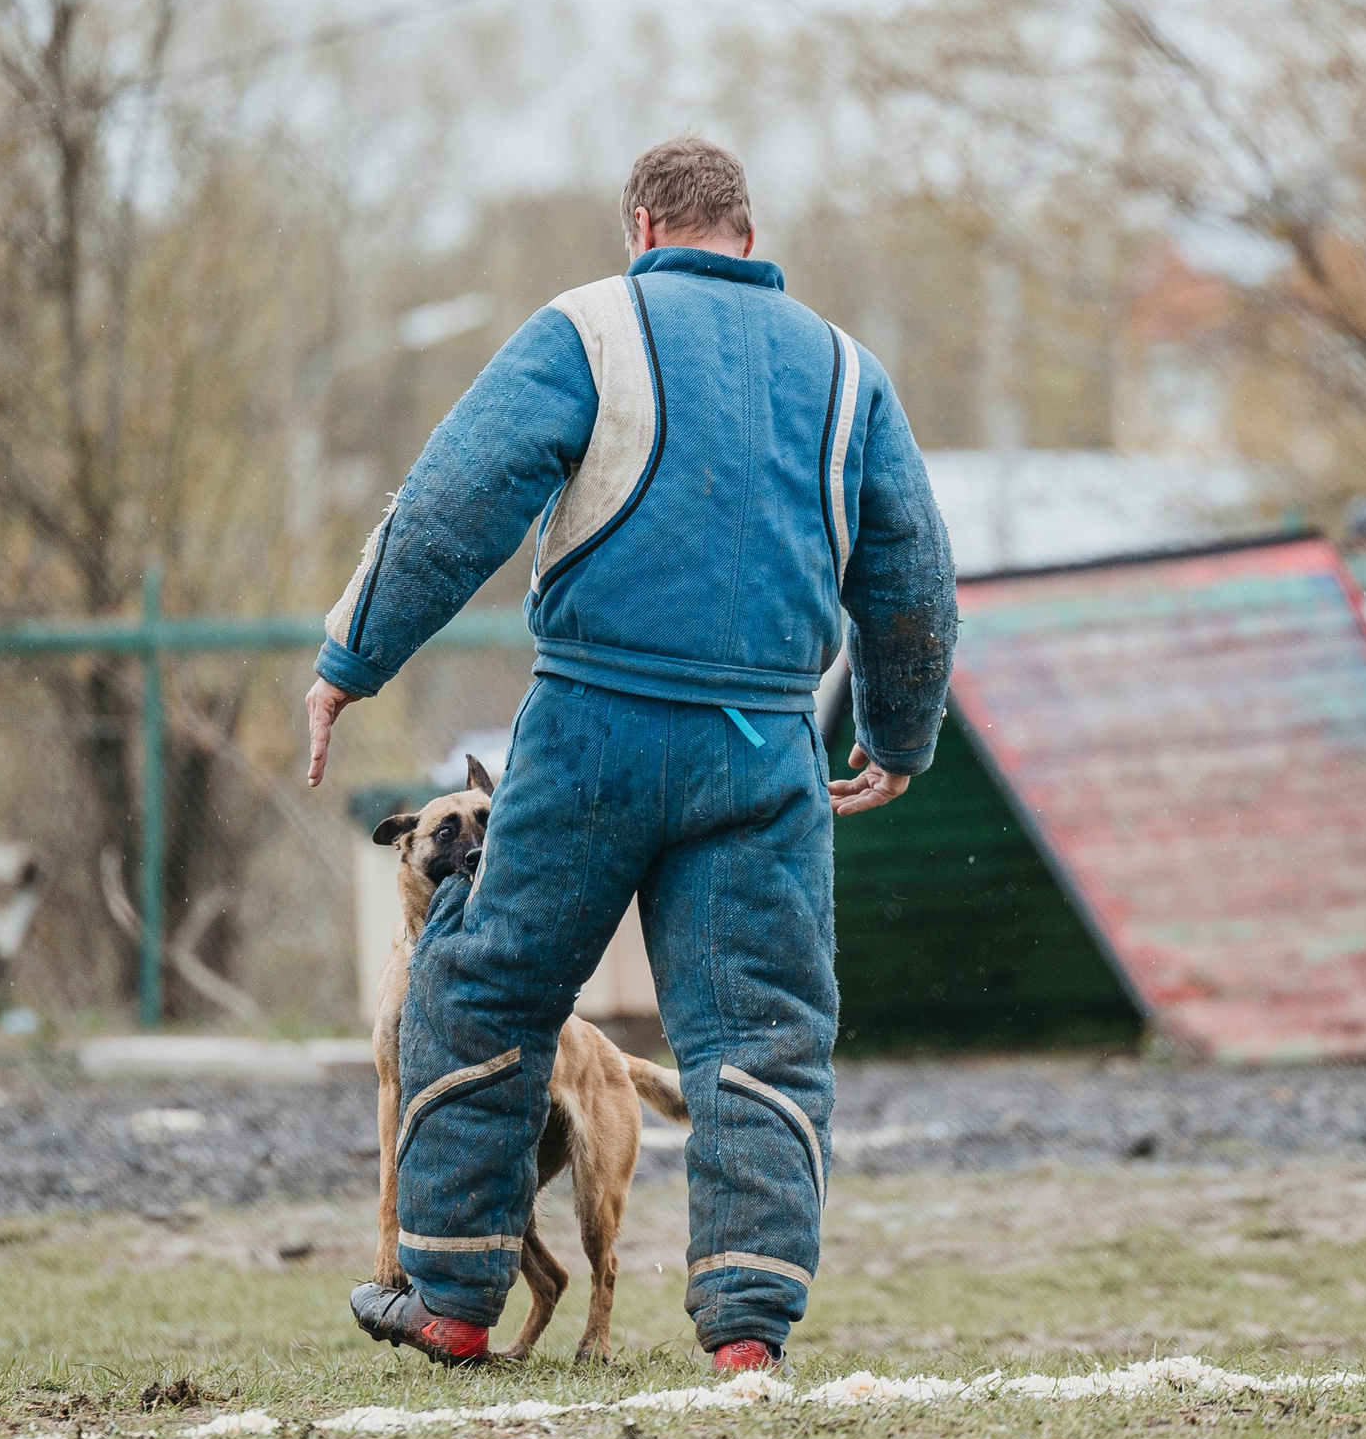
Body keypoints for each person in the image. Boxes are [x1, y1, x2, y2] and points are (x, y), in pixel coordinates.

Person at [304, 137, 956, 1372]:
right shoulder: (847, 371)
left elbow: (457, 496)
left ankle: (446, 1299)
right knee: (760, 1032)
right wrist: (899, 732)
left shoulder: (588, 327)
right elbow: (911, 573)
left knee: (481, 986)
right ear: (747, 239)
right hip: (764, 745)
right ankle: (747, 1330)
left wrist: (352, 655)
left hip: (591, 730)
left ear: (642, 226)